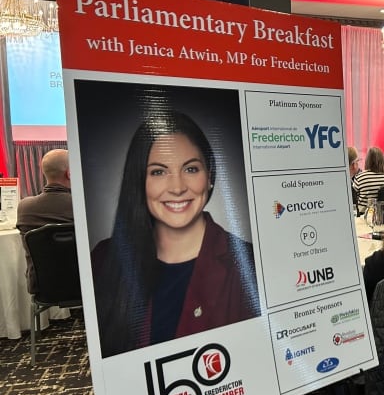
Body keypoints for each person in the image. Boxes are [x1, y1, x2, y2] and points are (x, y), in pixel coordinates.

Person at [91, 112, 261, 357]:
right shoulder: (104, 259)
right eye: (159, 172)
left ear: (209, 176)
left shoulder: (249, 264)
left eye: (191, 169)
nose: (178, 187)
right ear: (139, 181)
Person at [16, 149, 74, 293]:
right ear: (69, 173)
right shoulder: (82, 205)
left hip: (42, 287)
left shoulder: (25, 207)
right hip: (82, 285)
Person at [352, 146, 384, 214]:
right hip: (382, 215)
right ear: (382, 160)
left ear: (367, 160)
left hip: (363, 214)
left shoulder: (360, 177)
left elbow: (354, 197)